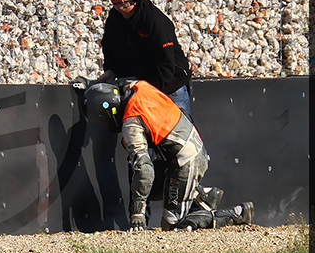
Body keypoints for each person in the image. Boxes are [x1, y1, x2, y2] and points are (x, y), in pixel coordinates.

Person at [83, 79, 254, 231]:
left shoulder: (131, 122)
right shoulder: (137, 86)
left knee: (174, 227)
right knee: (143, 186)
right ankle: (200, 194)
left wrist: (137, 215)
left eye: (102, 121)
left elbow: (144, 170)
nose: (104, 126)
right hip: (188, 149)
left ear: (108, 112)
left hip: (185, 161)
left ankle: (235, 213)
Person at [96, 0, 193, 117]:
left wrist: (146, 90)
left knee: (180, 137)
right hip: (139, 89)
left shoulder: (154, 20)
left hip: (171, 89)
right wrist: (111, 71)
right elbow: (109, 47)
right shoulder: (114, 18)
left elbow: (166, 65)